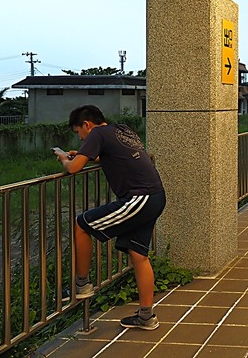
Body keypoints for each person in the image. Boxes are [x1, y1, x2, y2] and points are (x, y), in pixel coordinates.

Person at [55, 105, 166, 330]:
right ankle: (146, 316)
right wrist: (86, 154)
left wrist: (64, 159)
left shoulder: (96, 134)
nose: (80, 137)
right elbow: (114, 155)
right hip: (155, 195)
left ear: (87, 124)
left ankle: (82, 284)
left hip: (139, 198)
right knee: (139, 255)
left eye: (78, 133)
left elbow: (74, 169)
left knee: (81, 224)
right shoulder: (121, 130)